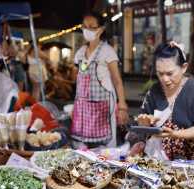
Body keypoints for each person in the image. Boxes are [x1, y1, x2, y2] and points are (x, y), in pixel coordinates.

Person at [71, 12, 129, 148]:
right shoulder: (80, 53)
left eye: (91, 27)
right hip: (83, 107)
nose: (87, 30)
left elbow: (117, 81)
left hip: (103, 105)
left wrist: (122, 106)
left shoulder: (108, 51)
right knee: (83, 145)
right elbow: (78, 81)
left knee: (106, 146)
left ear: (101, 29)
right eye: (84, 26)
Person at [133, 41, 194, 160]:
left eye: (170, 73)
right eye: (160, 74)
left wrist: (175, 134)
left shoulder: (192, 89)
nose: (165, 79)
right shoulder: (154, 92)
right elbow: (144, 129)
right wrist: (144, 123)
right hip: (159, 161)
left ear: (183, 68)